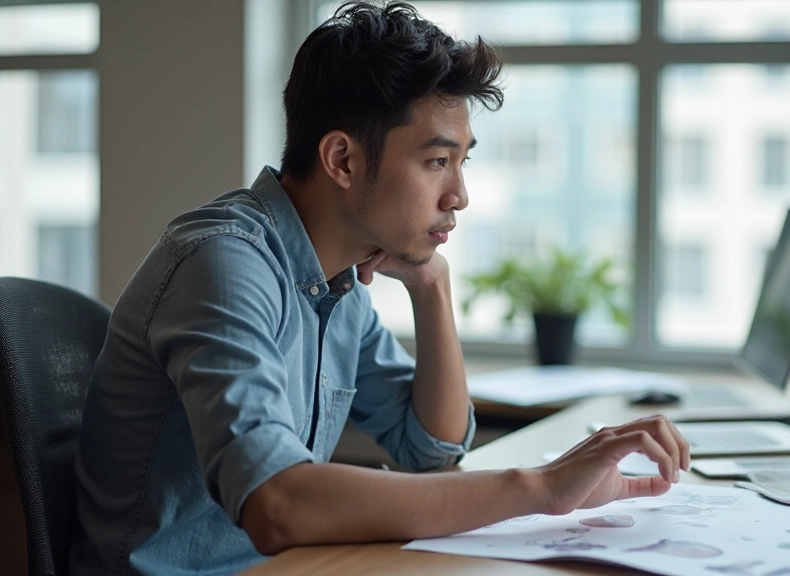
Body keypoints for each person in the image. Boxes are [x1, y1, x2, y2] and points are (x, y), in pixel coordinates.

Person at [69, 2, 690, 574]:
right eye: (436, 162)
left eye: (462, 161)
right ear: (342, 160)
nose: (459, 196)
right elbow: (276, 503)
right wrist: (541, 488)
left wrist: (431, 288)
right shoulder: (225, 264)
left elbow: (432, 449)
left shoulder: (336, 282)